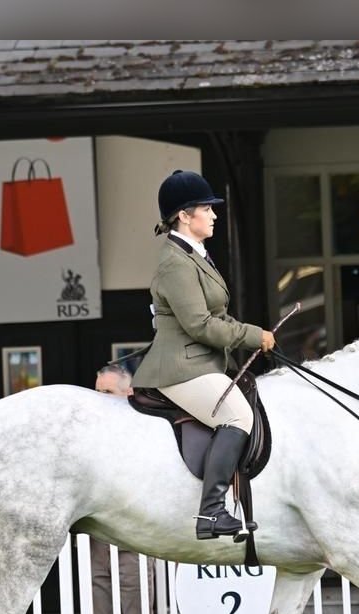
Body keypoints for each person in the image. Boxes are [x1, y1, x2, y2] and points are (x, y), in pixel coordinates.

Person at [131, 169, 275, 540]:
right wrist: (252, 335)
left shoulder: (196, 256)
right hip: (181, 367)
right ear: (184, 215)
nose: (213, 215)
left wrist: (251, 335)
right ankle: (211, 512)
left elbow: (219, 315)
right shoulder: (175, 263)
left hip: (202, 362)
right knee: (238, 416)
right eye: (206, 209)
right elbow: (200, 325)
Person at [93, 365, 161, 614]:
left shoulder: (145, 434)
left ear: (128, 395)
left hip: (134, 541)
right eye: (96, 391)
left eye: (106, 393)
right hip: (98, 542)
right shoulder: (87, 439)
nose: (98, 400)